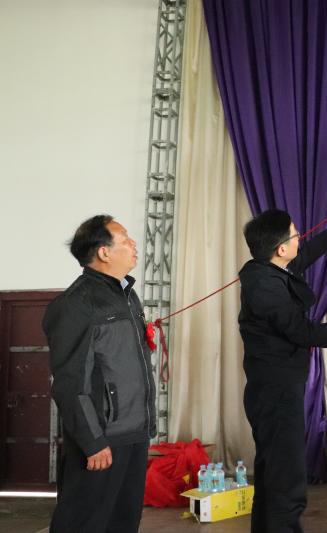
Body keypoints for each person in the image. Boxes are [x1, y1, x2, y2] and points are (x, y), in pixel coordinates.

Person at [238, 209, 327, 533]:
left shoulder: (271, 270)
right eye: (295, 235)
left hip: (274, 390)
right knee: (286, 479)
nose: (299, 239)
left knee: (273, 473)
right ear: (280, 248)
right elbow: (302, 332)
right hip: (275, 393)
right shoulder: (266, 286)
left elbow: (304, 256)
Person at [43, 215, 156, 533]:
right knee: (83, 523)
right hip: (102, 439)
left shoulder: (127, 296)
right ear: (104, 252)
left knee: (123, 522)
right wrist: (92, 441)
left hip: (134, 433)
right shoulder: (76, 304)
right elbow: (69, 383)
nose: (133, 244)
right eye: (125, 239)